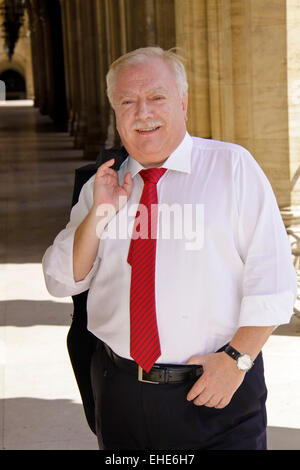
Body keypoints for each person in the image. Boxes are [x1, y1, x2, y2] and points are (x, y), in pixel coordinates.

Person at [42, 47, 297, 450]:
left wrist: (237, 361)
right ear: (115, 110)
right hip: (121, 392)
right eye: (128, 101)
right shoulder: (102, 184)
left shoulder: (232, 168)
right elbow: (59, 280)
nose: (143, 112)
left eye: (157, 97)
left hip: (216, 390)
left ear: (183, 101)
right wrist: (99, 214)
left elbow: (275, 284)